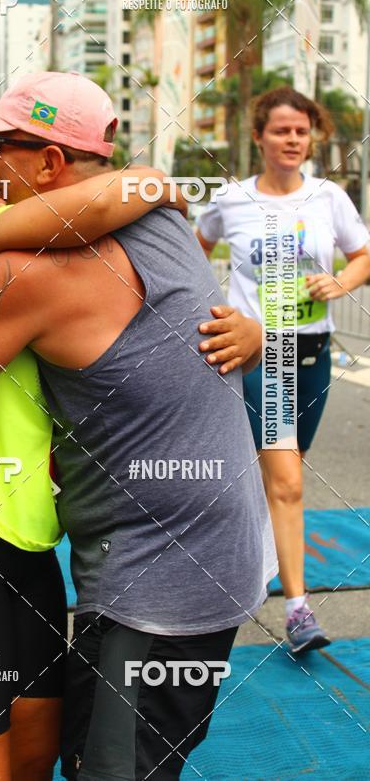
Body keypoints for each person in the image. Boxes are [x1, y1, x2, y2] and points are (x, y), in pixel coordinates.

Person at [0, 71, 276, 781]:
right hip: (192, 562)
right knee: (94, 759)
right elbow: (136, 187)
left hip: (157, 582)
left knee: (112, 769)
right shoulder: (160, 217)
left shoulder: (27, 274)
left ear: (49, 163)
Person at [196, 86, 370, 654]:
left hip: (313, 354)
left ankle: (239, 556)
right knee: (288, 481)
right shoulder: (230, 199)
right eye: (281, 130)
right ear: (258, 137)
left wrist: (340, 281)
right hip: (260, 356)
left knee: (281, 476)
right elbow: (193, 250)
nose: (292, 140)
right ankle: (297, 610)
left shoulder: (329, 197)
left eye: (301, 131)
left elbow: (361, 254)